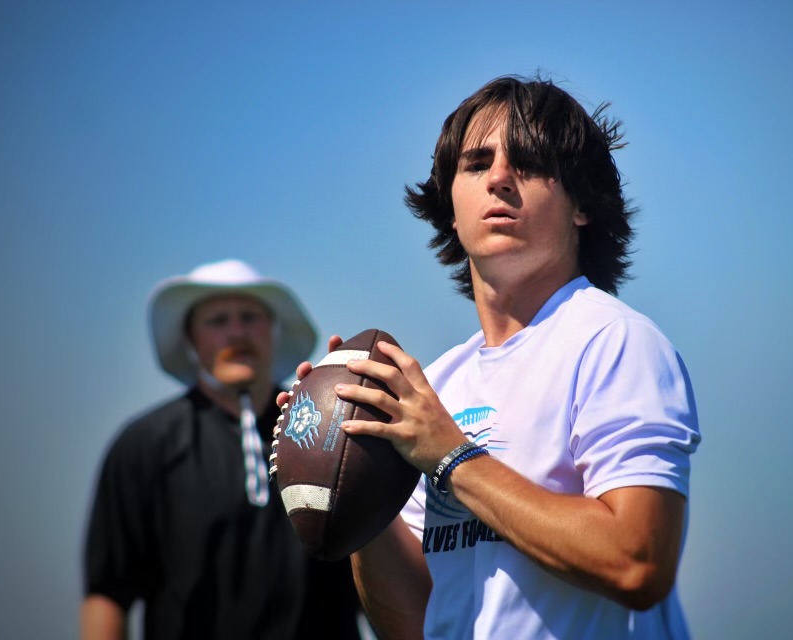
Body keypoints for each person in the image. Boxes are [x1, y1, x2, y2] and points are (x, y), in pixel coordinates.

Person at [282, 75, 702, 639]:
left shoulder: (613, 341)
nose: (499, 178)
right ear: (452, 210)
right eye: (476, 164)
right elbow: (414, 625)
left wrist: (452, 457)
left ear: (581, 204)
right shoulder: (434, 387)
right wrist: (351, 475)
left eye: (527, 163)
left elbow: (637, 563)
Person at [83, 259, 362, 640]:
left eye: (250, 317)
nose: (236, 332)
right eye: (217, 321)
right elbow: (107, 592)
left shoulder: (330, 431)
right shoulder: (145, 445)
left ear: (273, 330)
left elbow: (375, 566)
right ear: (190, 339)